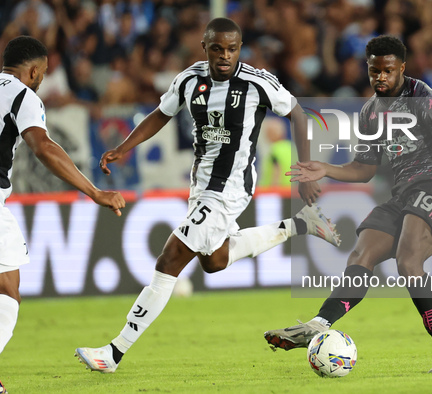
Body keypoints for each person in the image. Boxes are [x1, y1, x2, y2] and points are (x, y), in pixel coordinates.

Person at [75, 18, 340, 373]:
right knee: (213, 261)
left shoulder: (257, 83)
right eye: (218, 48)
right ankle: (300, 225)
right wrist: (124, 147)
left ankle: (114, 352)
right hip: (201, 185)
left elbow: (297, 113)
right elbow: (161, 113)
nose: (225, 56)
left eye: (232, 49)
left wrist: (306, 168)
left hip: (230, 187)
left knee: (169, 260)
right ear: (205, 47)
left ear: (240, 48)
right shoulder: (188, 80)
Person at [264, 35, 432, 373]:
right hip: (402, 195)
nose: (380, 78)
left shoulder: (424, 99)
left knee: (408, 259)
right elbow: (365, 170)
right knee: (362, 255)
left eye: (388, 71)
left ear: (401, 68)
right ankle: (318, 324)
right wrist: (325, 168)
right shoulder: (371, 111)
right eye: (375, 71)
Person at [0, 36, 126, 391]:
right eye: (43, 73)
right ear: (35, 70)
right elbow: (42, 146)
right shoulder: (23, 96)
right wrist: (94, 191)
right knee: (7, 291)